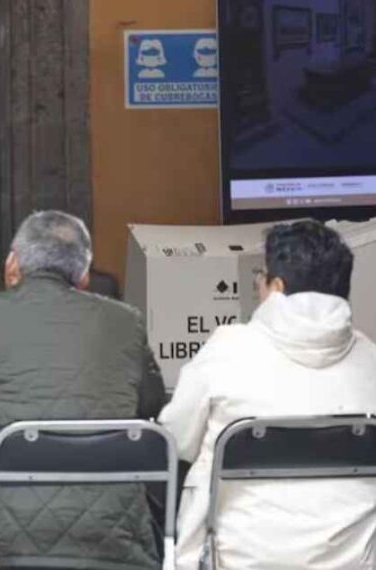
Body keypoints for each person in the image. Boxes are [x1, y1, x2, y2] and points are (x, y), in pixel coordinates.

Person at [0, 210, 165, 570]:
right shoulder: (125, 321)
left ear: (13, 264)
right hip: (111, 541)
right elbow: (151, 403)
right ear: (84, 275)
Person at [160, 220, 376, 569]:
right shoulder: (370, 359)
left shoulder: (228, 348)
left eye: (260, 275)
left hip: (238, 557)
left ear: (277, 285)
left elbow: (176, 439)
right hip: (355, 560)